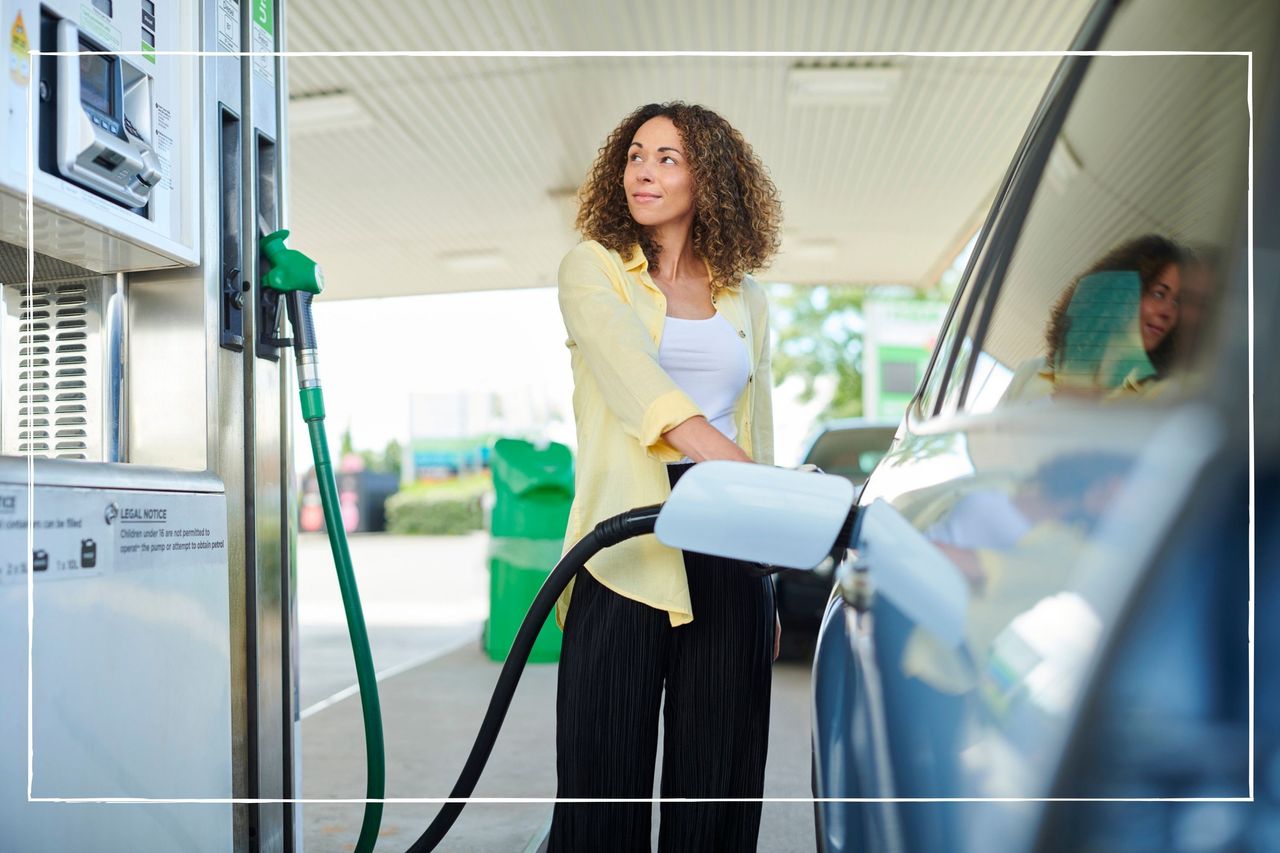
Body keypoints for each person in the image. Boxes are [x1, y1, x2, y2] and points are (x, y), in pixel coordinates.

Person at [549, 102, 782, 852]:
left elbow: (759, 424)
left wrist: (766, 569)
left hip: (727, 538)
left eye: (668, 158)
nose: (643, 171)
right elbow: (638, 385)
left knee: (718, 785)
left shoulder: (745, 296)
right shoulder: (594, 270)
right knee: (602, 786)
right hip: (624, 549)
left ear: (709, 177)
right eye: (636, 154)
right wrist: (755, 479)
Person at [1002, 234, 1187, 403]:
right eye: (1159, 294)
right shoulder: (1030, 373)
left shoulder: (1161, 396)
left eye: (1177, 303)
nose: (1168, 312)